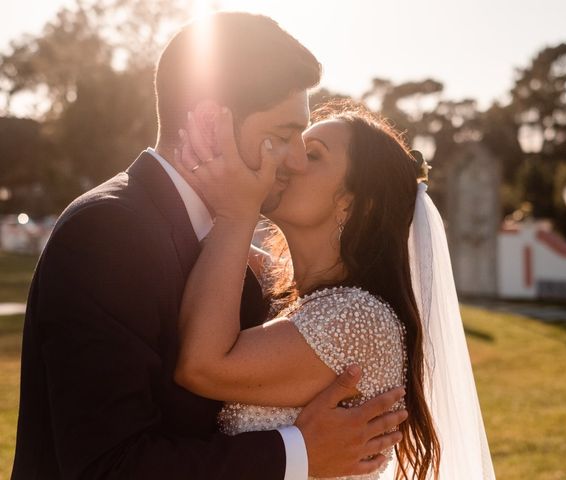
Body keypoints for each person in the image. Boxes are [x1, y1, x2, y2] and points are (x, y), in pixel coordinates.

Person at [11, 13, 406, 479]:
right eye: (281, 136)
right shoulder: (107, 232)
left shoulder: (233, 254)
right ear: (207, 124)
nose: (295, 158)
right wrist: (295, 454)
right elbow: (108, 466)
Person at [172, 101, 496, 479]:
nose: (289, 159)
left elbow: (201, 367)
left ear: (352, 203)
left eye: (311, 154)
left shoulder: (358, 319)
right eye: (289, 143)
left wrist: (236, 213)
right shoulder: (308, 299)